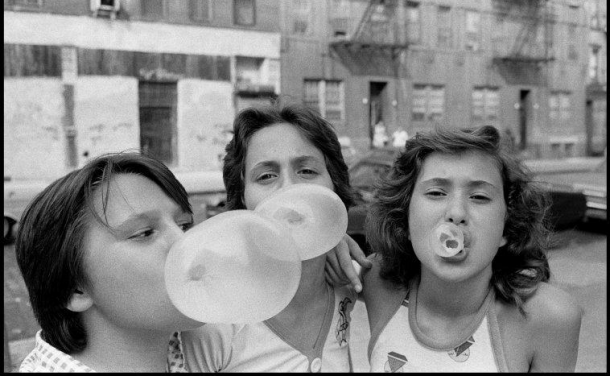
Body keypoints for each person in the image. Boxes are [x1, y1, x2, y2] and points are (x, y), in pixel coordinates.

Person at [362, 125, 582, 372]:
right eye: (436, 192)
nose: (456, 213)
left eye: (479, 197)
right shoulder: (375, 281)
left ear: (507, 227)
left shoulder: (550, 316)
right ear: (405, 219)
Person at [181, 103, 370, 372]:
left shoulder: (356, 288)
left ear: (335, 186)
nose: (290, 188)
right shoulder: (213, 321)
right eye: (266, 176)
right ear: (243, 198)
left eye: (307, 171)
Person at [15, 152, 204, 372]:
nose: (188, 243)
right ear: (75, 289)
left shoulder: (214, 349)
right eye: (144, 233)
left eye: (184, 225)